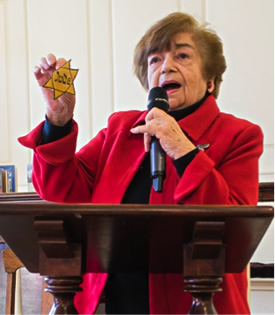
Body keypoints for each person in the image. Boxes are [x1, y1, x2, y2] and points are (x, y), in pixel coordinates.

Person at [18, 12, 263, 315]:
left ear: (210, 80)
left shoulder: (239, 136)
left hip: (200, 305)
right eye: (154, 60)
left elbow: (235, 228)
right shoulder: (121, 129)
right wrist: (58, 121)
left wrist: (183, 149)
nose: (166, 66)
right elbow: (60, 189)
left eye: (182, 55)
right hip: (113, 305)